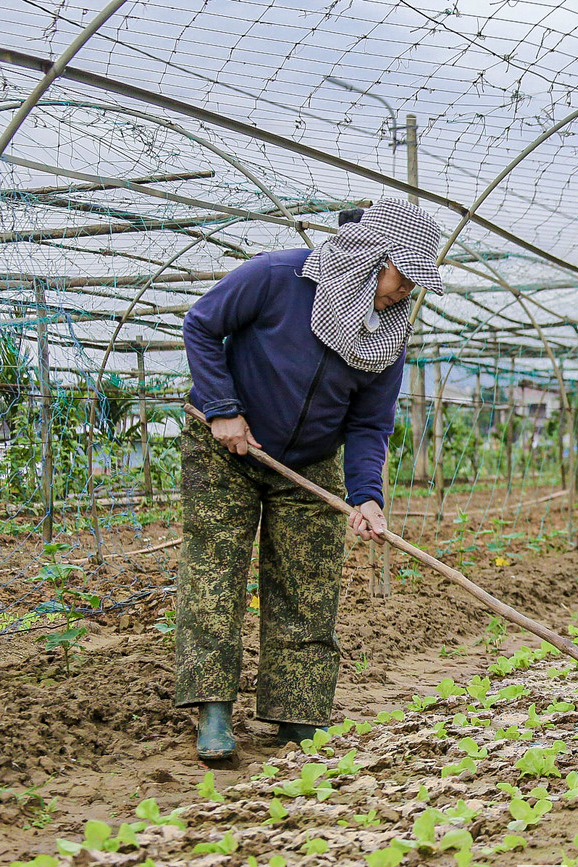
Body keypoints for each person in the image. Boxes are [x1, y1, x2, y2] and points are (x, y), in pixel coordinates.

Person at [176, 200, 444, 761]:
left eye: (416, 285)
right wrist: (224, 408)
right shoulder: (278, 276)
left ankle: (296, 715)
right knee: (215, 572)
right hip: (227, 445)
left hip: (309, 462)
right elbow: (201, 324)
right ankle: (214, 710)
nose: (405, 293)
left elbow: (370, 424)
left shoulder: (388, 337)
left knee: (308, 584)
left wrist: (367, 496)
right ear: (373, 257)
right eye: (404, 277)